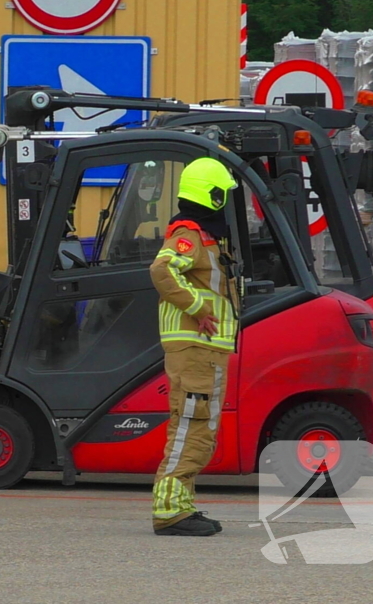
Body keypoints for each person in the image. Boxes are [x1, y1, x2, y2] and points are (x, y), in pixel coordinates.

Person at [149, 157, 240, 536]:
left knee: (200, 431)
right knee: (191, 427)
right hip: (195, 349)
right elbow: (161, 269)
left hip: (207, 351)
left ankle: (181, 506)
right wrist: (198, 306)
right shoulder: (188, 235)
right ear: (213, 195)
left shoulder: (205, 238)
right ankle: (170, 510)